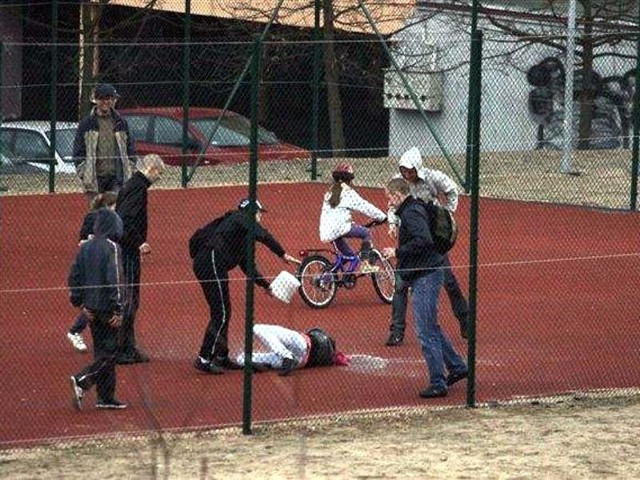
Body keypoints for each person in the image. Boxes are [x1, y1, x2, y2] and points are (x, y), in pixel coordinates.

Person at [191, 198, 300, 374]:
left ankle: (220, 356)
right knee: (221, 313)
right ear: (251, 212)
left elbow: (248, 266)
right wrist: (282, 254)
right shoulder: (238, 218)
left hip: (213, 266)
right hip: (209, 262)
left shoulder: (243, 236)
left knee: (224, 312)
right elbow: (263, 235)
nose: (260, 217)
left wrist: (265, 285)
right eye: (258, 213)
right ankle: (204, 358)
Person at [382, 178, 468, 398]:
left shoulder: (411, 214)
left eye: (389, 196)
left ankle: (438, 382)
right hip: (426, 271)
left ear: (398, 195)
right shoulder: (413, 209)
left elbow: (424, 240)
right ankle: (457, 366)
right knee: (431, 327)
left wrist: (397, 252)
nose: (388, 201)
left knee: (425, 330)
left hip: (426, 275)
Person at [385, 147, 469, 346]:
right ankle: (397, 330)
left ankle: (465, 320)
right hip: (409, 234)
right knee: (401, 285)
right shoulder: (399, 181)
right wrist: (392, 223)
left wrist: (446, 214)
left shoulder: (432, 177)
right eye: (404, 170)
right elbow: (391, 205)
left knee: (448, 280)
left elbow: (452, 190)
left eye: (410, 170)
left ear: (418, 168)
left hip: (431, 237)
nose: (407, 174)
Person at [68, 208, 127, 410]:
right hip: (108, 308)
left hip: (91, 307)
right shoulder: (112, 247)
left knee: (101, 350)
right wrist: (119, 309)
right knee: (111, 352)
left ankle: (105, 396)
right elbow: (116, 280)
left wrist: (81, 303)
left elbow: (74, 276)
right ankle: (83, 379)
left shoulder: (85, 247)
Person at [115, 154, 166, 364]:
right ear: (151, 169)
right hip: (128, 249)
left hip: (126, 246)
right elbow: (126, 218)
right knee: (129, 299)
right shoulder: (138, 188)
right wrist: (138, 242)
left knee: (130, 298)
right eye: (159, 173)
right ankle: (122, 348)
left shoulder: (133, 185)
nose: (160, 178)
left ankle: (128, 346)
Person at [66, 191, 120, 352]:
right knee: (96, 301)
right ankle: (75, 330)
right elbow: (82, 237)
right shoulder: (94, 219)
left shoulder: (110, 222)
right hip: (94, 264)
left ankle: (80, 331)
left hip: (98, 261)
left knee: (95, 301)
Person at [73, 82, 137, 203]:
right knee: (97, 215)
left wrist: (130, 167)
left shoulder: (121, 123)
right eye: (103, 99)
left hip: (118, 177)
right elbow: (78, 151)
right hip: (95, 179)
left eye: (110, 99)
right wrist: (84, 173)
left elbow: (131, 148)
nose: (107, 102)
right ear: (96, 100)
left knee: (116, 213)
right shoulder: (86, 124)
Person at [319, 162, 387, 273]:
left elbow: (335, 213)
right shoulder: (348, 192)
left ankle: (326, 277)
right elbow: (365, 206)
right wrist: (382, 217)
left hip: (327, 231)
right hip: (340, 228)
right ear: (350, 179)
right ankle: (365, 264)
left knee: (348, 255)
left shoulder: (330, 192)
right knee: (366, 233)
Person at [235, 324, 350, 375]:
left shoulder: (321, 338)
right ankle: (285, 356)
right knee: (240, 358)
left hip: (300, 346)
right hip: (300, 361)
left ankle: (285, 356)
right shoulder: (327, 356)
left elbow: (315, 332)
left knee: (257, 328)